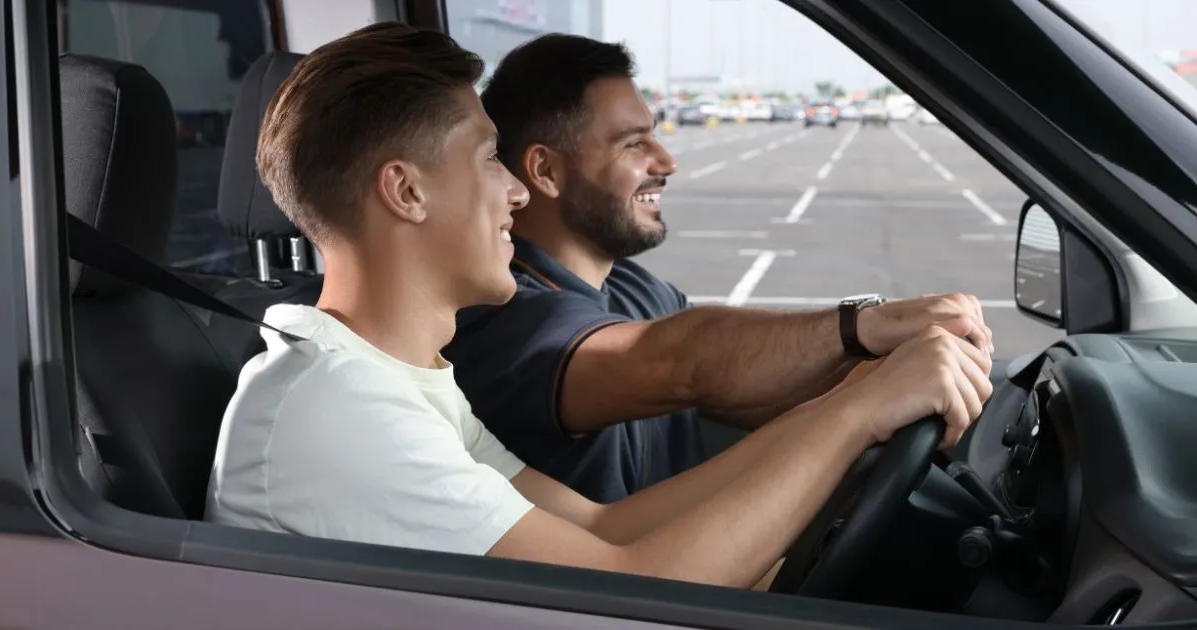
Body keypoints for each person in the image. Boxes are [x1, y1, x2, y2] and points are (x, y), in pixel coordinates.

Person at [206, 22, 992, 591]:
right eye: (488, 159)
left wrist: (853, 399)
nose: (514, 189)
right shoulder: (334, 410)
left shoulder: (392, 383)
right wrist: (855, 415)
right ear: (406, 191)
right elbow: (640, 585)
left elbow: (606, 528)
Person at [443, 34, 996, 503]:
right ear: (544, 170)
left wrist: (886, 375)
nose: (666, 162)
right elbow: (681, 361)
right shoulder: (501, 318)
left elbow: (737, 385)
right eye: (634, 144)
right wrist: (862, 324)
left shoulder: (633, 290)